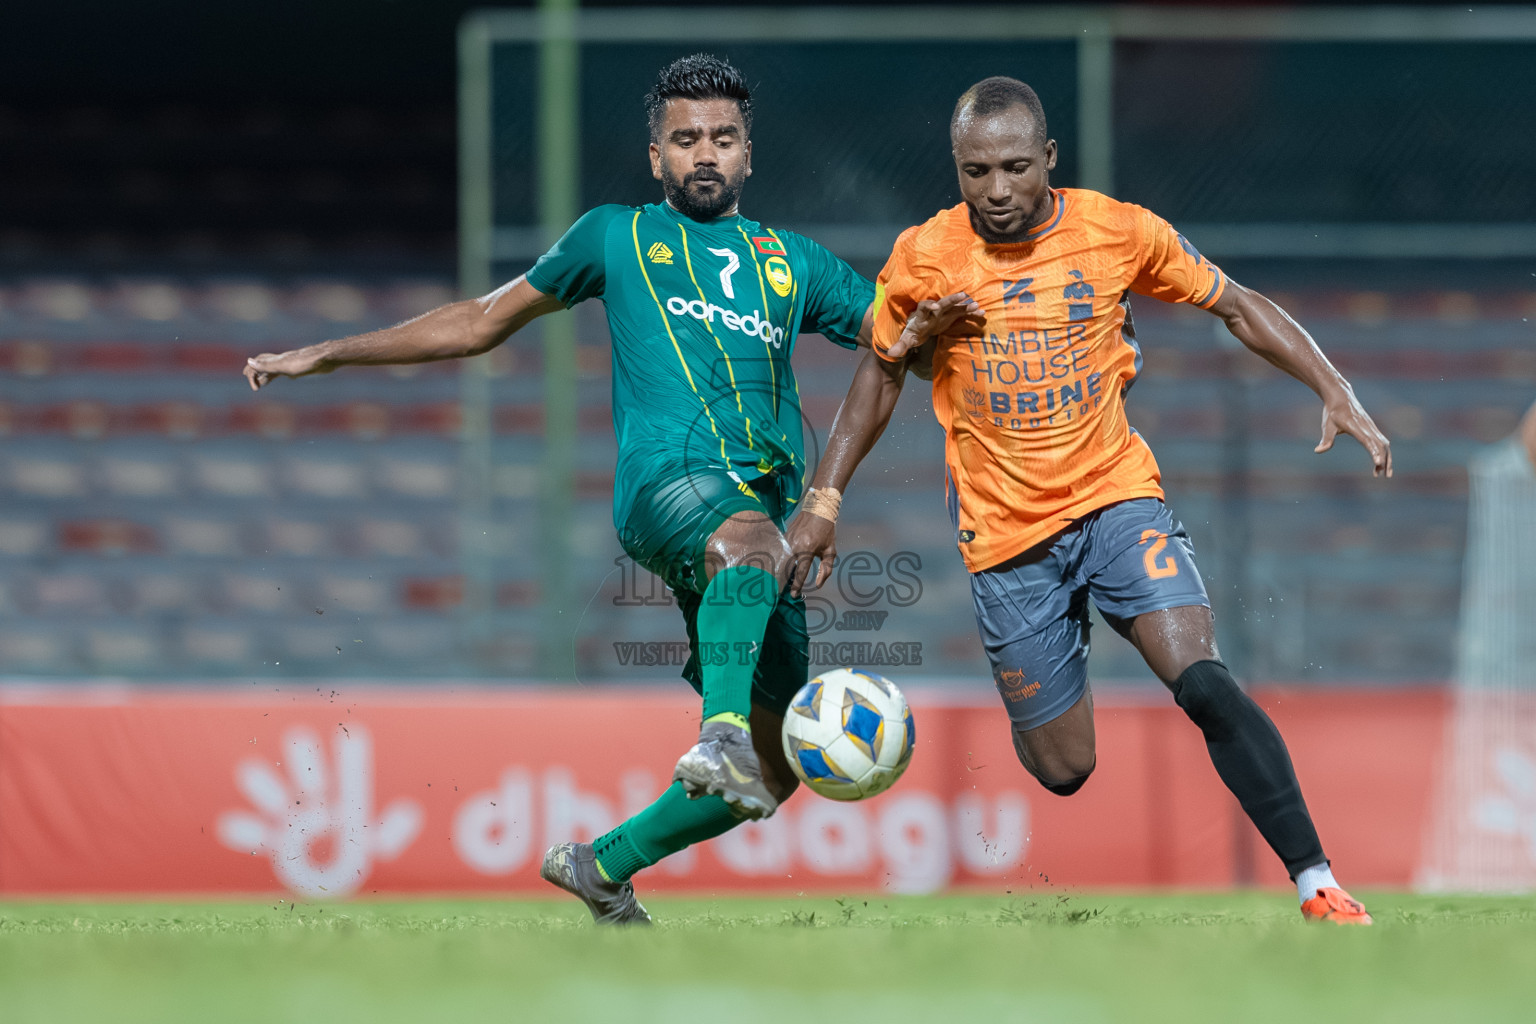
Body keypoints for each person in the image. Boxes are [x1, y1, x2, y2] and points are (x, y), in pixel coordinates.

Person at [243, 55, 876, 925]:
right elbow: (477, 321)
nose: (704, 154)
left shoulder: (794, 261)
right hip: (665, 486)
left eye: (722, 139)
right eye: (685, 138)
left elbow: (897, 337)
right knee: (751, 566)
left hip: (755, 524)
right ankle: (716, 733)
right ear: (655, 156)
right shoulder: (613, 236)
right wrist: (329, 352)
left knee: (774, 772)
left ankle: (601, 866)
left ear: (748, 155)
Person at [787, 76, 1392, 925]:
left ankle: (1316, 881)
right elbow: (880, 370)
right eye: (975, 172)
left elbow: (1235, 304)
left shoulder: (1117, 230)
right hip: (1004, 539)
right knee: (1065, 770)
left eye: (1014, 167)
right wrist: (826, 496)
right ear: (955, 168)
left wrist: (1334, 387)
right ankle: (1048, 664)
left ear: (1050, 161)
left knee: (1205, 682)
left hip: (1115, 499)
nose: (996, 191)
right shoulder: (925, 255)